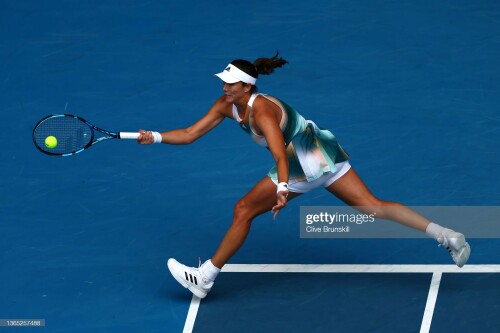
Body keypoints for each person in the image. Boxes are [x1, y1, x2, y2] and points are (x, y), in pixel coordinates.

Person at [137, 53, 471, 299]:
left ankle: (205, 277)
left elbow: (280, 152)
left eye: (230, 83)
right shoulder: (226, 105)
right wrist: (153, 135)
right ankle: (446, 235)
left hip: (302, 161)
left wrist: (282, 187)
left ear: (247, 85)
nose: (224, 87)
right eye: (223, 82)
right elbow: (190, 132)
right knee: (372, 206)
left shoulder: (262, 110)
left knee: (243, 209)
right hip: (324, 151)